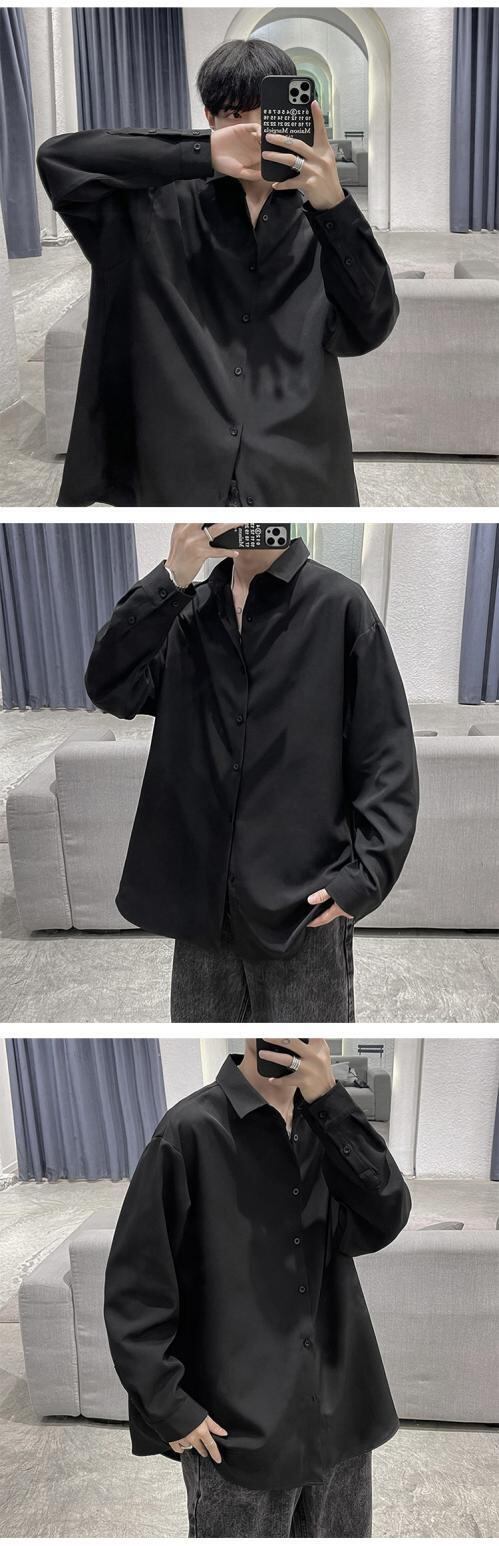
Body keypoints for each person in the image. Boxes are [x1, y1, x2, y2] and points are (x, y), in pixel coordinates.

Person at [36, 38, 399, 508]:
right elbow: (59, 159)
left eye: (266, 115)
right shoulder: (155, 206)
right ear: (209, 118)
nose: (254, 131)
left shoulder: (323, 222)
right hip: (178, 466)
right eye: (234, 115)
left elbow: (371, 325)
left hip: (297, 468)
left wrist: (334, 205)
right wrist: (199, 153)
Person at [84, 523, 419, 1024]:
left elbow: (386, 754)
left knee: (295, 1045)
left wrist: (365, 877)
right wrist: (171, 577)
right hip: (202, 903)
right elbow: (111, 686)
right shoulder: (190, 611)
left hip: (302, 907)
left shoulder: (339, 607)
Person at [103, 1037, 413, 1539]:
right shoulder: (189, 1132)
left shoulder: (326, 1128)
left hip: (339, 1419)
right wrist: (170, 1406)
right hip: (238, 1437)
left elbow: (387, 1214)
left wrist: (332, 1104)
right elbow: (136, 1286)